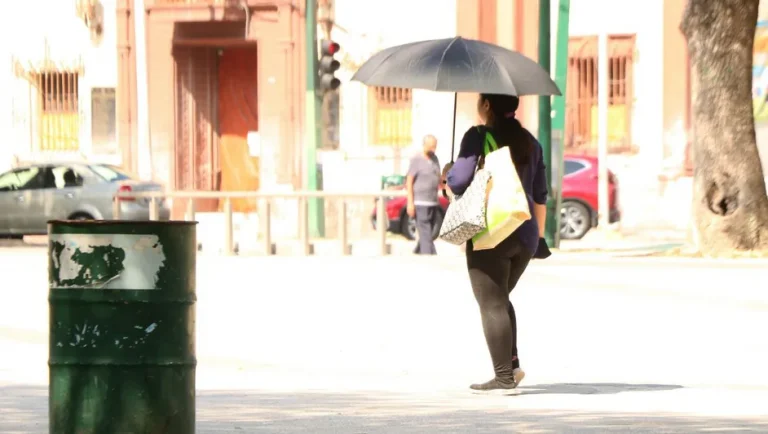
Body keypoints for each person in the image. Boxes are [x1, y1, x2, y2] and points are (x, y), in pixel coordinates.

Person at [446, 93, 551, 392]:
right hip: (526, 233)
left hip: (493, 230)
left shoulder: (478, 136)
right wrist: (540, 237)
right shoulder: (531, 142)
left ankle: (504, 375)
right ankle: (512, 367)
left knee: (491, 303)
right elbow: (541, 194)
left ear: (487, 105)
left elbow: (458, 181)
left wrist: (448, 171)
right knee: (500, 298)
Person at [406, 134, 441, 255]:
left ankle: (418, 252)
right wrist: (410, 202)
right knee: (425, 230)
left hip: (433, 201)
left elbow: (439, 177)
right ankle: (430, 255)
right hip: (420, 202)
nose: (433, 150)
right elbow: (409, 181)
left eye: (435, 147)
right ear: (424, 145)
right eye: (431, 147)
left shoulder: (435, 159)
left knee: (427, 231)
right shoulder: (416, 160)